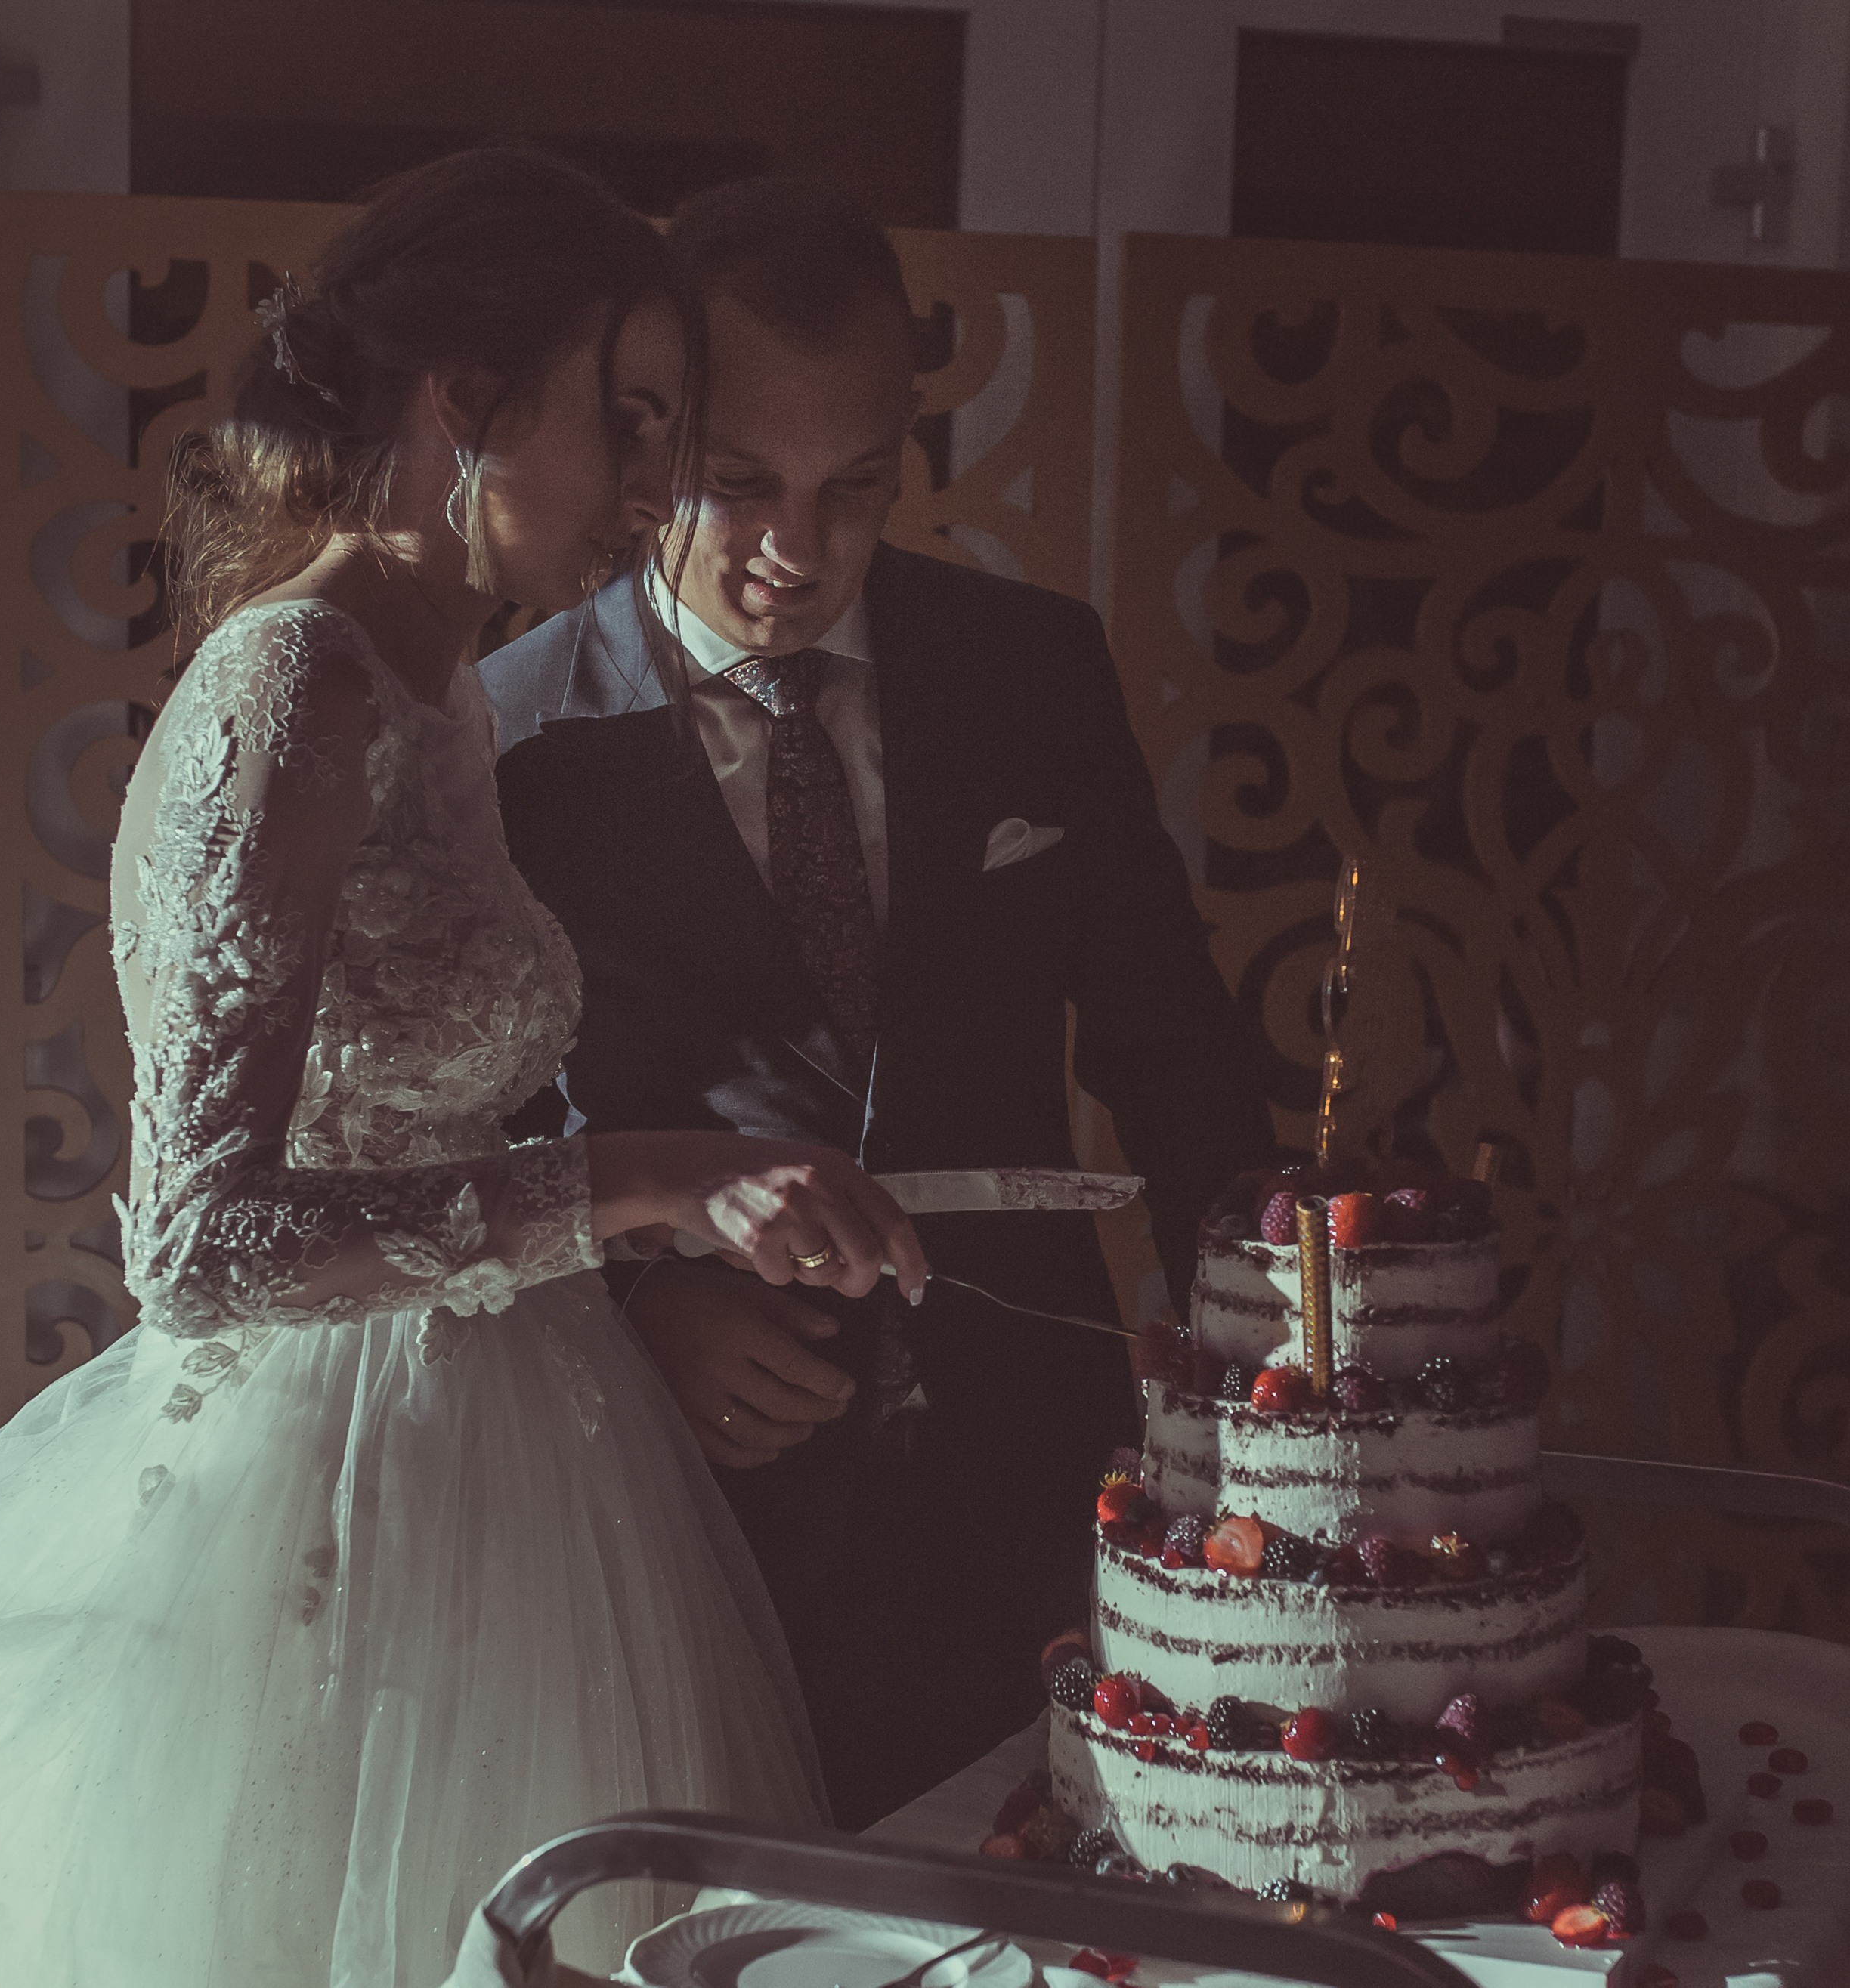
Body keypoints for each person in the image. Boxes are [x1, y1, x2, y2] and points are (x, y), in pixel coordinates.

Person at [0, 150, 914, 1986]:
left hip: (513, 1464)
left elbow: (408, 1106)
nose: (652, 491)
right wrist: (646, 1175)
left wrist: (669, 1203)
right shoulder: (294, 685)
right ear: (465, 398)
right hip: (312, 1504)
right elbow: (198, 1246)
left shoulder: (432, 681)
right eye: (625, 423)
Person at [481, 178, 1273, 1827]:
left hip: (1036, 1466)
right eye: (739, 484)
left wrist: (1269, 1379)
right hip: (693, 1501)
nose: (798, 549)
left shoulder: (1031, 666)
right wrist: (638, 1316)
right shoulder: (507, 735)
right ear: (646, 445)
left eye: (855, 482)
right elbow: (458, 1161)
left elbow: (1171, 1045)